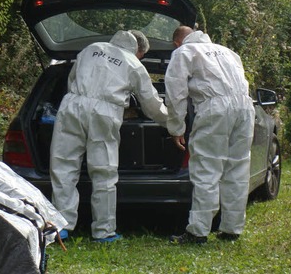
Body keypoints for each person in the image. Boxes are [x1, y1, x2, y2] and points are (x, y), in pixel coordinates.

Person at [50, 30, 170, 242]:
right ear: (139, 50)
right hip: (104, 113)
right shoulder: (134, 63)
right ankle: (103, 231)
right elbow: (150, 103)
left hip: (72, 104)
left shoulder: (91, 49)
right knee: (103, 171)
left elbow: (72, 78)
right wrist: (173, 123)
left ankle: (61, 226)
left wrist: (79, 99)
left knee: (63, 166)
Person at [164, 26, 255, 244]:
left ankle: (198, 231)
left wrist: (176, 128)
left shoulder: (184, 53)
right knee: (237, 168)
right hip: (244, 107)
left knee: (207, 168)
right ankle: (232, 229)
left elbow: (175, 93)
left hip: (215, 108)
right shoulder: (227, 51)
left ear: (177, 42)